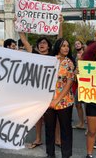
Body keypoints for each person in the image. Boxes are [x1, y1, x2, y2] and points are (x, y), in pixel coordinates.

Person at [19, 15, 64, 149]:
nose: (42, 44)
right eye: (40, 43)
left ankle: (57, 139)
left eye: (44, 43)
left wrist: (60, 24)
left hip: (52, 91)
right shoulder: (35, 55)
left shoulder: (53, 56)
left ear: (49, 46)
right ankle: (38, 138)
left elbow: (60, 40)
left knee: (54, 117)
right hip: (38, 91)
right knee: (38, 116)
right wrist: (19, 27)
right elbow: (24, 41)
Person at [42, 38, 75, 158]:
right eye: (63, 46)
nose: (66, 48)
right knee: (49, 127)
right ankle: (50, 154)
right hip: (48, 101)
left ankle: (65, 156)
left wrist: (57, 99)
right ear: (58, 47)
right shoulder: (50, 60)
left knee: (65, 129)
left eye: (68, 46)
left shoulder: (69, 63)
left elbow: (68, 84)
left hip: (64, 101)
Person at [72, 40, 85, 130]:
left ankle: (90, 128)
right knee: (77, 104)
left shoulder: (87, 54)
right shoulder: (74, 56)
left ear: (82, 45)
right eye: (75, 44)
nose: (77, 45)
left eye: (78, 44)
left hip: (86, 82)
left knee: (87, 105)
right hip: (77, 82)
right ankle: (81, 123)